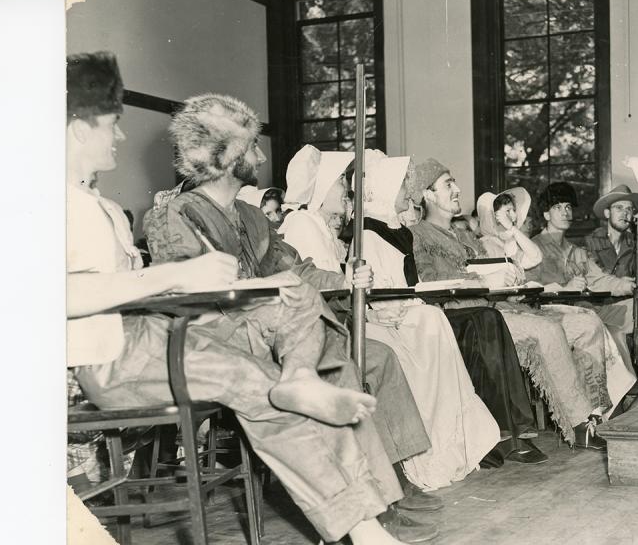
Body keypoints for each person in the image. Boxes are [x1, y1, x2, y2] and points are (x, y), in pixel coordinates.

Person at [66, 53, 406, 545]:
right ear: (81, 129)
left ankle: (304, 381)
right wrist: (179, 277)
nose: (120, 135)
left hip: (148, 333)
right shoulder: (47, 201)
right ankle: (365, 529)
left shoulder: (89, 201)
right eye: (113, 124)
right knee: (257, 382)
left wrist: (212, 284)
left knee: (296, 300)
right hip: (105, 359)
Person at [280, 146, 501, 491]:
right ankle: (421, 455)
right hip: (352, 322)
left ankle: (450, 440)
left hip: (366, 313)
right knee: (426, 328)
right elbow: (331, 285)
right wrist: (378, 306)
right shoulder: (330, 228)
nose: (347, 189)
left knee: (433, 322)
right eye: (340, 183)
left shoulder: (348, 228)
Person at [408, 159, 609, 449]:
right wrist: (485, 277)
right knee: (547, 330)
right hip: (469, 317)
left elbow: (495, 268)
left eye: (455, 182)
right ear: (427, 195)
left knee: (587, 322)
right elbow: (429, 281)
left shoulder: (464, 235)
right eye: (448, 184)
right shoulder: (418, 235)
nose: (457, 189)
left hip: (503, 306)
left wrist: (509, 274)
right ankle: (579, 426)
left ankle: (595, 412)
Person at [477, 185, 636, 413]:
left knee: (631, 310)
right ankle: (606, 404)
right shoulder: (533, 246)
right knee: (600, 327)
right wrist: (564, 287)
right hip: (549, 310)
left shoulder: (576, 250)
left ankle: (630, 393)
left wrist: (626, 284)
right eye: (558, 207)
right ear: (545, 215)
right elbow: (525, 290)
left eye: (569, 207)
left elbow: (599, 279)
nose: (565, 212)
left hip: (583, 308)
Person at [584, 185, 638, 278]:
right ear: (607, 213)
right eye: (619, 207)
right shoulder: (591, 243)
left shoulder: (636, 245)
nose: (625, 213)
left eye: (629, 209)